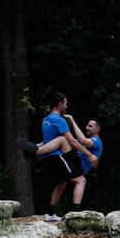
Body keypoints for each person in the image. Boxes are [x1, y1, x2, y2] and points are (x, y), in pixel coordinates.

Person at [36, 93, 99, 221]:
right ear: (60, 104)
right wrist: (90, 155)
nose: (66, 105)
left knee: (62, 182)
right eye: (65, 103)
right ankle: (75, 214)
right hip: (56, 157)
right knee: (81, 180)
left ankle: (50, 214)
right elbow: (73, 142)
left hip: (48, 158)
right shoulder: (59, 120)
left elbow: (48, 141)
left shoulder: (45, 120)